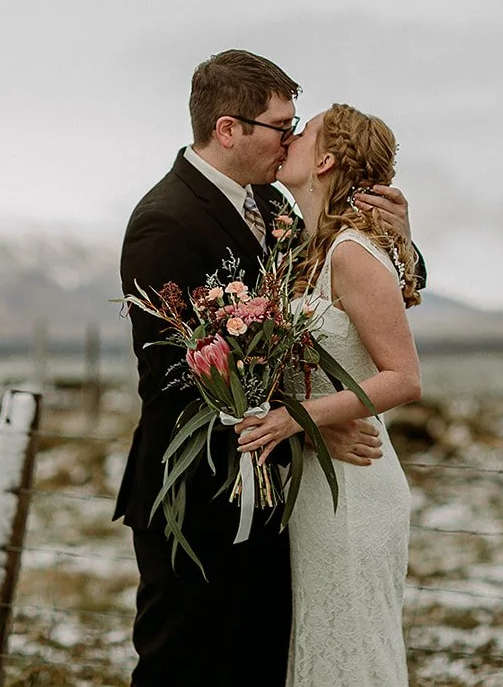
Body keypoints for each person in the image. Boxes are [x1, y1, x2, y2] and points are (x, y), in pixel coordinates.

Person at [115, 50, 421, 687]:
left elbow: (361, 281)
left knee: (262, 663)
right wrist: (305, 422)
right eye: (283, 126)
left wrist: (404, 241)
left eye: (296, 127)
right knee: (184, 664)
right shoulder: (165, 222)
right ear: (229, 129)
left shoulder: (277, 207)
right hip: (199, 493)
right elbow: (177, 379)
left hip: (286, 492)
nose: (291, 138)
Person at [234, 104, 420, 687]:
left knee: (354, 652)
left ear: (326, 159)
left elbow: (403, 376)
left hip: (356, 488)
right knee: (324, 647)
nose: (288, 137)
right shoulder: (311, 248)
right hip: (317, 484)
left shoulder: (350, 253)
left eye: (303, 131)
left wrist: (296, 421)